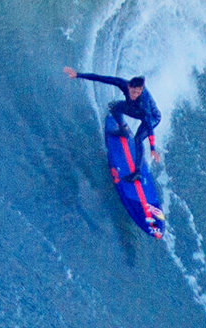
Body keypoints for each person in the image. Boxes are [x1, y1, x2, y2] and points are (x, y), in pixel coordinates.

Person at [66, 68, 165, 235]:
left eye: (138, 92)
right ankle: (123, 128)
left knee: (138, 139)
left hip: (151, 118)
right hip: (135, 110)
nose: (134, 94)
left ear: (141, 90)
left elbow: (149, 127)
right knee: (113, 107)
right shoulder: (123, 84)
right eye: (133, 91)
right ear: (129, 87)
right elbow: (101, 77)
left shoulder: (144, 103)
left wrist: (153, 148)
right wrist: (78, 75)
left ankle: (137, 173)